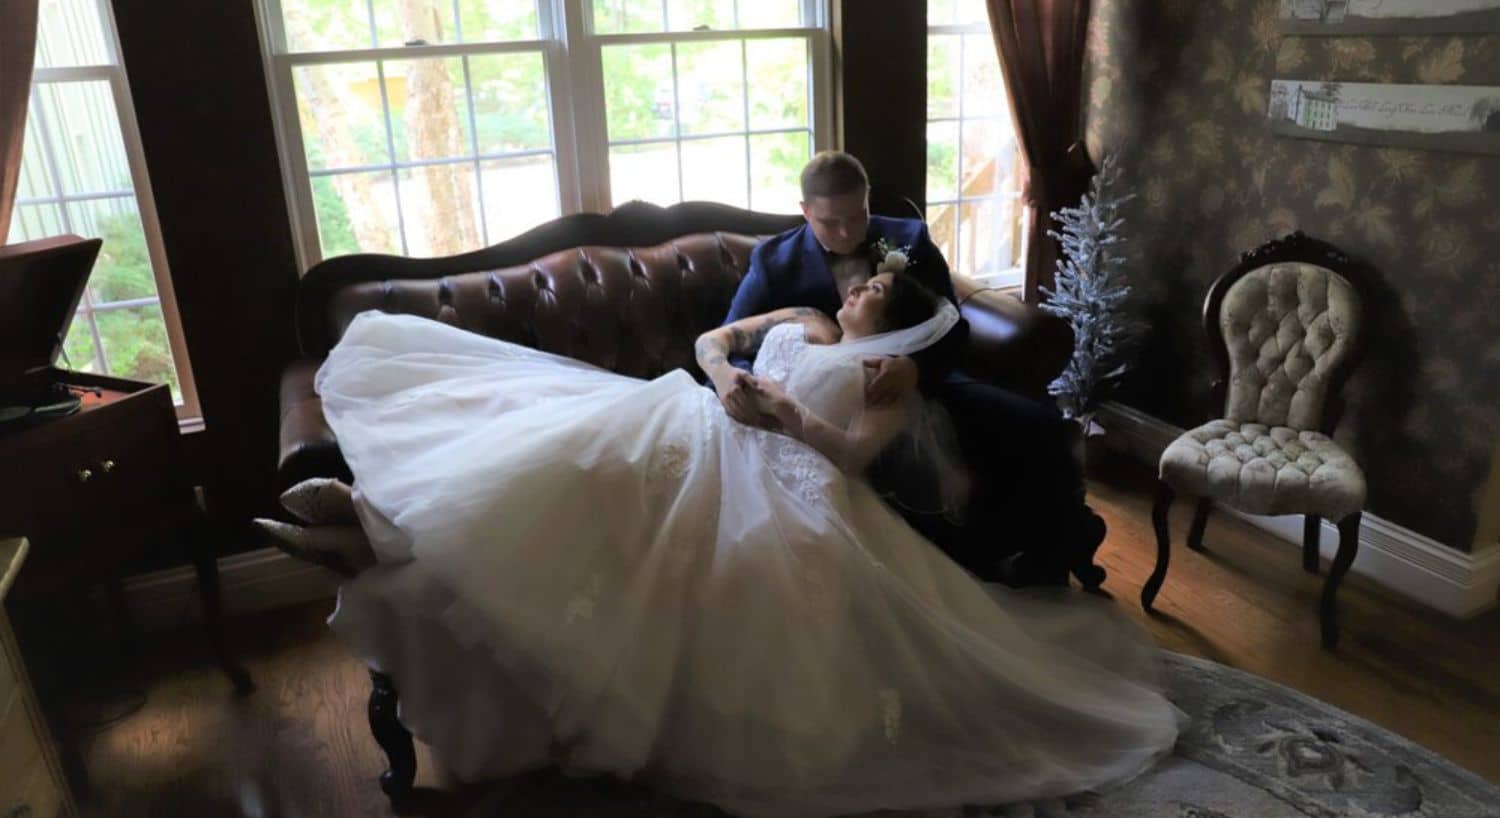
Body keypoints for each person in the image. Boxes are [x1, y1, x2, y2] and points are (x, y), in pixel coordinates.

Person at [267, 266, 1181, 817]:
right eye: (858, 279)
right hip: (703, 422)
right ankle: (372, 508)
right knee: (571, 438)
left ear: (897, 316)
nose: (856, 287)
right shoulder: (803, 323)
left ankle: (373, 529)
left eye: (876, 289)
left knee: (594, 475)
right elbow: (713, 337)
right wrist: (722, 374)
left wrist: (783, 413)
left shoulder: (888, 376)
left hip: (793, 484)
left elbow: (854, 462)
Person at [721, 151, 1104, 587]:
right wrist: (758, 389)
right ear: (805, 211)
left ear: (868, 200)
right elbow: (735, 341)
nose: (847, 232)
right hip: (832, 404)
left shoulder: (909, 238)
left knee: (1037, 423)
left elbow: (955, 327)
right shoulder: (774, 260)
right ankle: (969, 566)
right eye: (830, 222)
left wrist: (915, 368)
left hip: (927, 388)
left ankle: (1053, 545)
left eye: (857, 215)